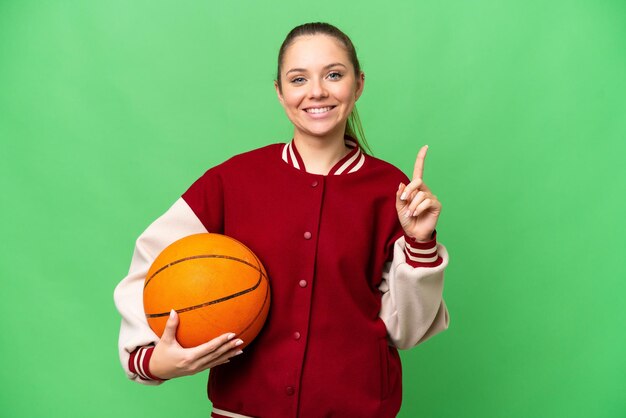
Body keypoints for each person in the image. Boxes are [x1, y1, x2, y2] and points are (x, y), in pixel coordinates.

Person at [114, 22, 449, 418]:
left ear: (358, 85)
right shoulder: (231, 180)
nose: (317, 91)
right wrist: (152, 360)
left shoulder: (391, 191)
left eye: (334, 75)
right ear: (279, 91)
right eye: (298, 79)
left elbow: (406, 332)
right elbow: (153, 264)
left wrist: (420, 243)